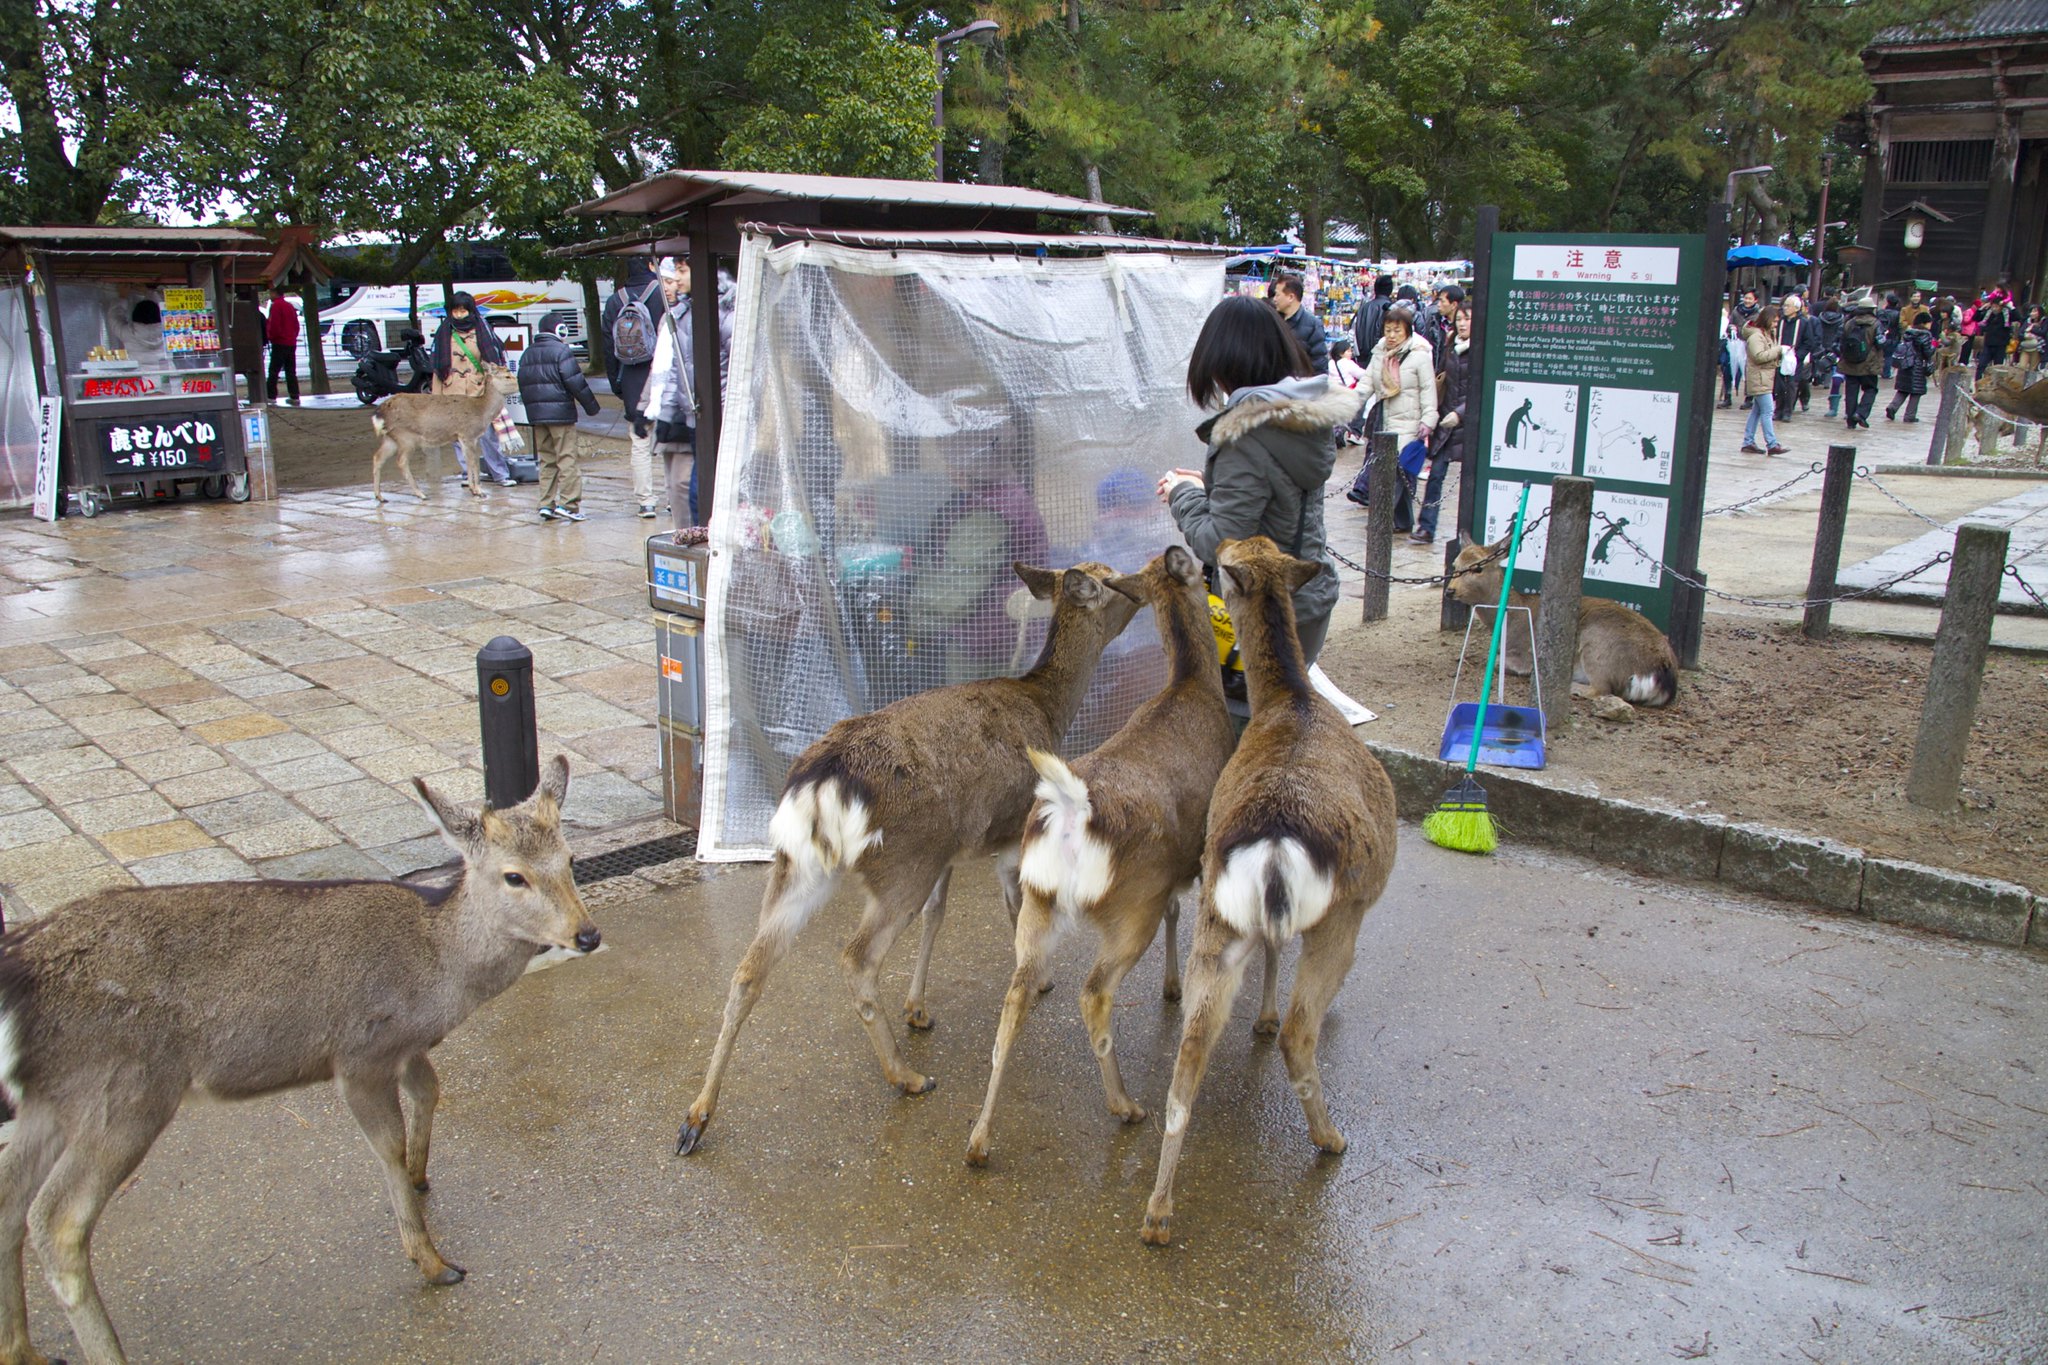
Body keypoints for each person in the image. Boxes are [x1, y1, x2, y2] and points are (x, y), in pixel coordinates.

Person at [1157, 293, 1360, 669]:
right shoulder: (1301, 417)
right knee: (1289, 714)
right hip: (1308, 600)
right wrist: (1210, 484)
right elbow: (1280, 492)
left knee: (1251, 721)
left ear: (1223, 363)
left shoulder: (1246, 434)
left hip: (1262, 612)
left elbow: (1221, 541)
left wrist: (1182, 494)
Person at [915, 419, 1051, 684]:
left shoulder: (990, 513)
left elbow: (960, 589)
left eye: (951, 458)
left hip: (987, 638)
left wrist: (912, 614)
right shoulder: (1003, 496)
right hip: (1009, 634)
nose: (947, 466)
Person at [638, 256, 733, 529]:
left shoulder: (726, 311)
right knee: (697, 498)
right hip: (696, 420)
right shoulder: (683, 314)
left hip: (724, 418)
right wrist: (666, 415)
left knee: (709, 497)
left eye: (681, 271)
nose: (677, 279)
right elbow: (674, 372)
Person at [601, 258, 667, 518]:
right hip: (663, 376)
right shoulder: (664, 293)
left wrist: (615, 382)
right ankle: (674, 497)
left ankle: (646, 501)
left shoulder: (615, 300)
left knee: (640, 443)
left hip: (631, 379)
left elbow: (608, 346)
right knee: (671, 441)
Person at [1361, 306, 1437, 531]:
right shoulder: (1379, 354)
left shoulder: (1419, 356)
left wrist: (1428, 420)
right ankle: (1403, 521)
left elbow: (1428, 389)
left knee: (1393, 473)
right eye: (1388, 330)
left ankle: (1380, 520)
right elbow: (1366, 384)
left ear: (1407, 331)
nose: (1392, 336)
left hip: (1409, 422)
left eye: (1397, 331)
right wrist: (1345, 404)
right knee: (1399, 473)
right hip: (1384, 421)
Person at [517, 326, 602, 522]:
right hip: (561, 415)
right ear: (559, 331)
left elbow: (522, 383)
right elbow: (576, 382)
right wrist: (592, 408)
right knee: (566, 458)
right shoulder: (562, 351)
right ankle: (569, 504)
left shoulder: (528, 353)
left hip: (538, 417)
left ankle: (546, 503)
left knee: (546, 459)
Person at [431, 291, 513, 485]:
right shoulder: (444, 332)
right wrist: (436, 397)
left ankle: (499, 473)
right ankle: (468, 473)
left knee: (487, 435)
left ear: (470, 310)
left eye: (463, 310)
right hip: (453, 391)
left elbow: (494, 361)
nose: (459, 315)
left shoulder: (483, 330)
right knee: (457, 436)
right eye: (455, 311)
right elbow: (437, 367)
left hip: (478, 391)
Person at [1413, 307, 1471, 545]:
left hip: (1467, 422)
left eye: (1467, 319)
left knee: (1469, 483)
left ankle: (1467, 533)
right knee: (1436, 474)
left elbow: (1481, 388)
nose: (1463, 324)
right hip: (1445, 419)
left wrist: (1460, 414)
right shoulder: (1450, 346)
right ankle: (1427, 526)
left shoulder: (1482, 349)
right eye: (1459, 319)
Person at [1742, 306, 1786, 455]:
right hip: (1759, 378)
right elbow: (1759, 356)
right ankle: (1771, 443)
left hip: (1764, 377)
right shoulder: (1756, 336)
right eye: (1774, 321)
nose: (1776, 324)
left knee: (1757, 411)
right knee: (1768, 411)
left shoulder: (1766, 334)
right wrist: (1778, 350)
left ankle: (1748, 441)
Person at [1836, 289, 1882, 431]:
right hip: (1869, 364)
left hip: (1850, 363)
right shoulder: (1875, 324)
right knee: (1871, 389)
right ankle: (1861, 413)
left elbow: (1841, 341)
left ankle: (1850, 419)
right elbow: (1881, 342)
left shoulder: (1849, 323)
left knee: (1851, 391)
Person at [1269, 273, 1329, 375]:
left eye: (1277, 295)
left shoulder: (1313, 325)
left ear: (1291, 297)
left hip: (1299, 386)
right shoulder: (1272, 320)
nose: (1274, 299)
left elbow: (1319, 365)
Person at [1885, 311, 1935, 422]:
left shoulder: (1908, 332)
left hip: (1905, 364)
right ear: (1925, 323)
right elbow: (1927, 352)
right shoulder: (1925, 334)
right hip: (1917, 366)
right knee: (1916, 392)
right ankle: (1910, 415)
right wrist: (1933, 347)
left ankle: (1892, 407)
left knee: (1903, 389)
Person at [1774, 294, 1817, 418]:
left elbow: (1809, 342)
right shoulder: (1781, 321)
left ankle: (1788, 411)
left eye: (1788, 306)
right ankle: (1778, 410)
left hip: (1794, 358)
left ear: (1796, 308)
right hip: (1780, 356)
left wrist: (1798, 356)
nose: (1785, 308)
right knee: (1779, 385)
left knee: (1791, 385)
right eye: (1784, 305)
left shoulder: (1803, 322)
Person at [263, 284, 300, 404]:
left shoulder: (276, 306)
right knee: (291, 370)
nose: (270, 295)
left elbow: (274, 325)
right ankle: (294, 395)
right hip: (290, 341)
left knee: (274, 370)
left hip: (279, 341)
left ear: (275, 293)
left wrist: (271, 336)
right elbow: (296, 324)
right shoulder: (289, 306)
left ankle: (271, 395)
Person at [230, 286, 265, 405]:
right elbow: (264, 330)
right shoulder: (258, 314)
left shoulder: (232, 314)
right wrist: (264, 342)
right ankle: (258, 395)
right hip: (255, 346)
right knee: (254, 371)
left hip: (237, 346)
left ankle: (255, 395)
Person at [1351, 273, 1395, 365]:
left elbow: (1353, 331)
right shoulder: (1390, 309)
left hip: (1362, 358)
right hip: (1381, 358)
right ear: (1390, 290)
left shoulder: (1363, 308)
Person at [1815, 291, 1847, 416]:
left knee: (1823, 362)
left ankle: (1820, 375)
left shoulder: (1821, 317)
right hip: (1835, 347)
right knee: (1835, 371)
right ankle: (1828, 385)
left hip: (1823, 344)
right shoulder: (1841, 319)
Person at [1976, 289, 2013, 378]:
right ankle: (1978, 382)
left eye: (1997, 306)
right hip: (1988, 343)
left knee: (1997, 367)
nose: (1994, 308)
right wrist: (1982, 308)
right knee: (1981, 365)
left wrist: (2011, 307)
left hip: (2000, 344)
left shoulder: (2007, 315)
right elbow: (1976, 318)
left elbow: (2018, 317)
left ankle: (1995, 386)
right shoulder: (1989, 314)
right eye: (1993, 306)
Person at [1877, 291, 1903, 379]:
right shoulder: (1898, 314)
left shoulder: (1880, 312)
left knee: (1879, 354)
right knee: (1889, 356)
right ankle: (1886, 373)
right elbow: (1899, 327)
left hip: (1880, 335)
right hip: (1892, 337)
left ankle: (1878, 370)